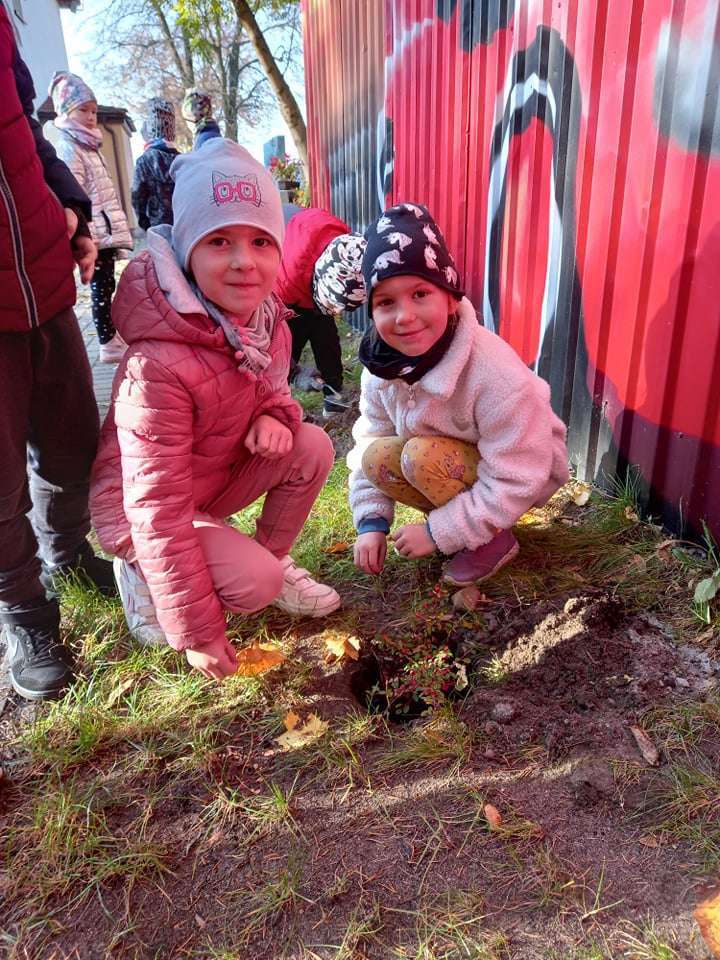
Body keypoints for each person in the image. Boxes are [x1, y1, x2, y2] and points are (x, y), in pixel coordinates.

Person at [90, 139, 341, 681]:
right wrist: (197, 631)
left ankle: (270, 557)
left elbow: (271, 392)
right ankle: (139, 572)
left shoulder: (266, 320)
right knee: (253, 586)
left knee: (312, 445)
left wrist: (274, 416)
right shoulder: (156, 364)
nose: (243, 261)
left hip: (209, 481)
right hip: (146, 509)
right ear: (187, 251)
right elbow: (155, 502)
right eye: (219, 240)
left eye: (260, 241)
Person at [348, 203, 570, 585]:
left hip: (523, 469)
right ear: (371, 311)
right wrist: (371, 521)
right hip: (451, 460)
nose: (404, 316)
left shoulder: (494, 373)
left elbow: (519, 474)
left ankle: (491, 540)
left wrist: (438, 533)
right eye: (386, 302)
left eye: (420, 293)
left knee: (420, 456)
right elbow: (371, 436)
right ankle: (463, 523)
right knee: (376, 455)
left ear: (450, 298)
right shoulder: (382, 370)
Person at [0, 3, 117, 701]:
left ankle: (67, 555)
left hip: (44, 283)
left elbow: (24, 133)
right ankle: (25, 613)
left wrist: (67, 206)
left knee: (74, 443)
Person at [50, 71, 134, 364]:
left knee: (107, 285)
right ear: (66, 111)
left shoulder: (89, 144)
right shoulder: (71, 147)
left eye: (94, 111)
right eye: (83, 110)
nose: (90, 117)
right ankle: (107, 342)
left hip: (103, 229)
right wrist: (86, 230)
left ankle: (111, 335)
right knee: (100, 289)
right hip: (94, 232)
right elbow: (74, 192)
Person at [274, 208, 363, 418]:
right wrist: (294, 373)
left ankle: (333, 396)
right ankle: (278, 406)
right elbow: (269, 342)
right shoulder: (284, 279)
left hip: (312, 270)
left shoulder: (348, 251)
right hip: (289, 292)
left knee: (327, 338)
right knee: (290, 340)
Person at [131, 97, 179, 230]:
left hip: (157, 226)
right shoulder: (182, 161)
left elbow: (137, 196)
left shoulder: (143, 162)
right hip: (182, 224)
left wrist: (145, 223)